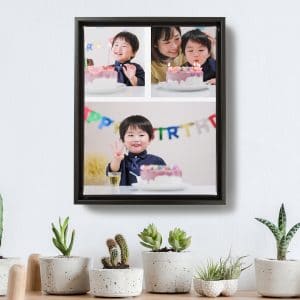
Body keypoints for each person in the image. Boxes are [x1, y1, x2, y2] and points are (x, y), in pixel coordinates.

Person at [107, 115, 166, 186]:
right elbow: (113, 171)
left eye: (141, 135)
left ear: (150, 139)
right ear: (123, 140)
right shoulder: (121, 160)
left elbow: (165, 182)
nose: (136, 139)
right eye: (131, 135)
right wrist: (117, 159)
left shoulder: (157, 161)